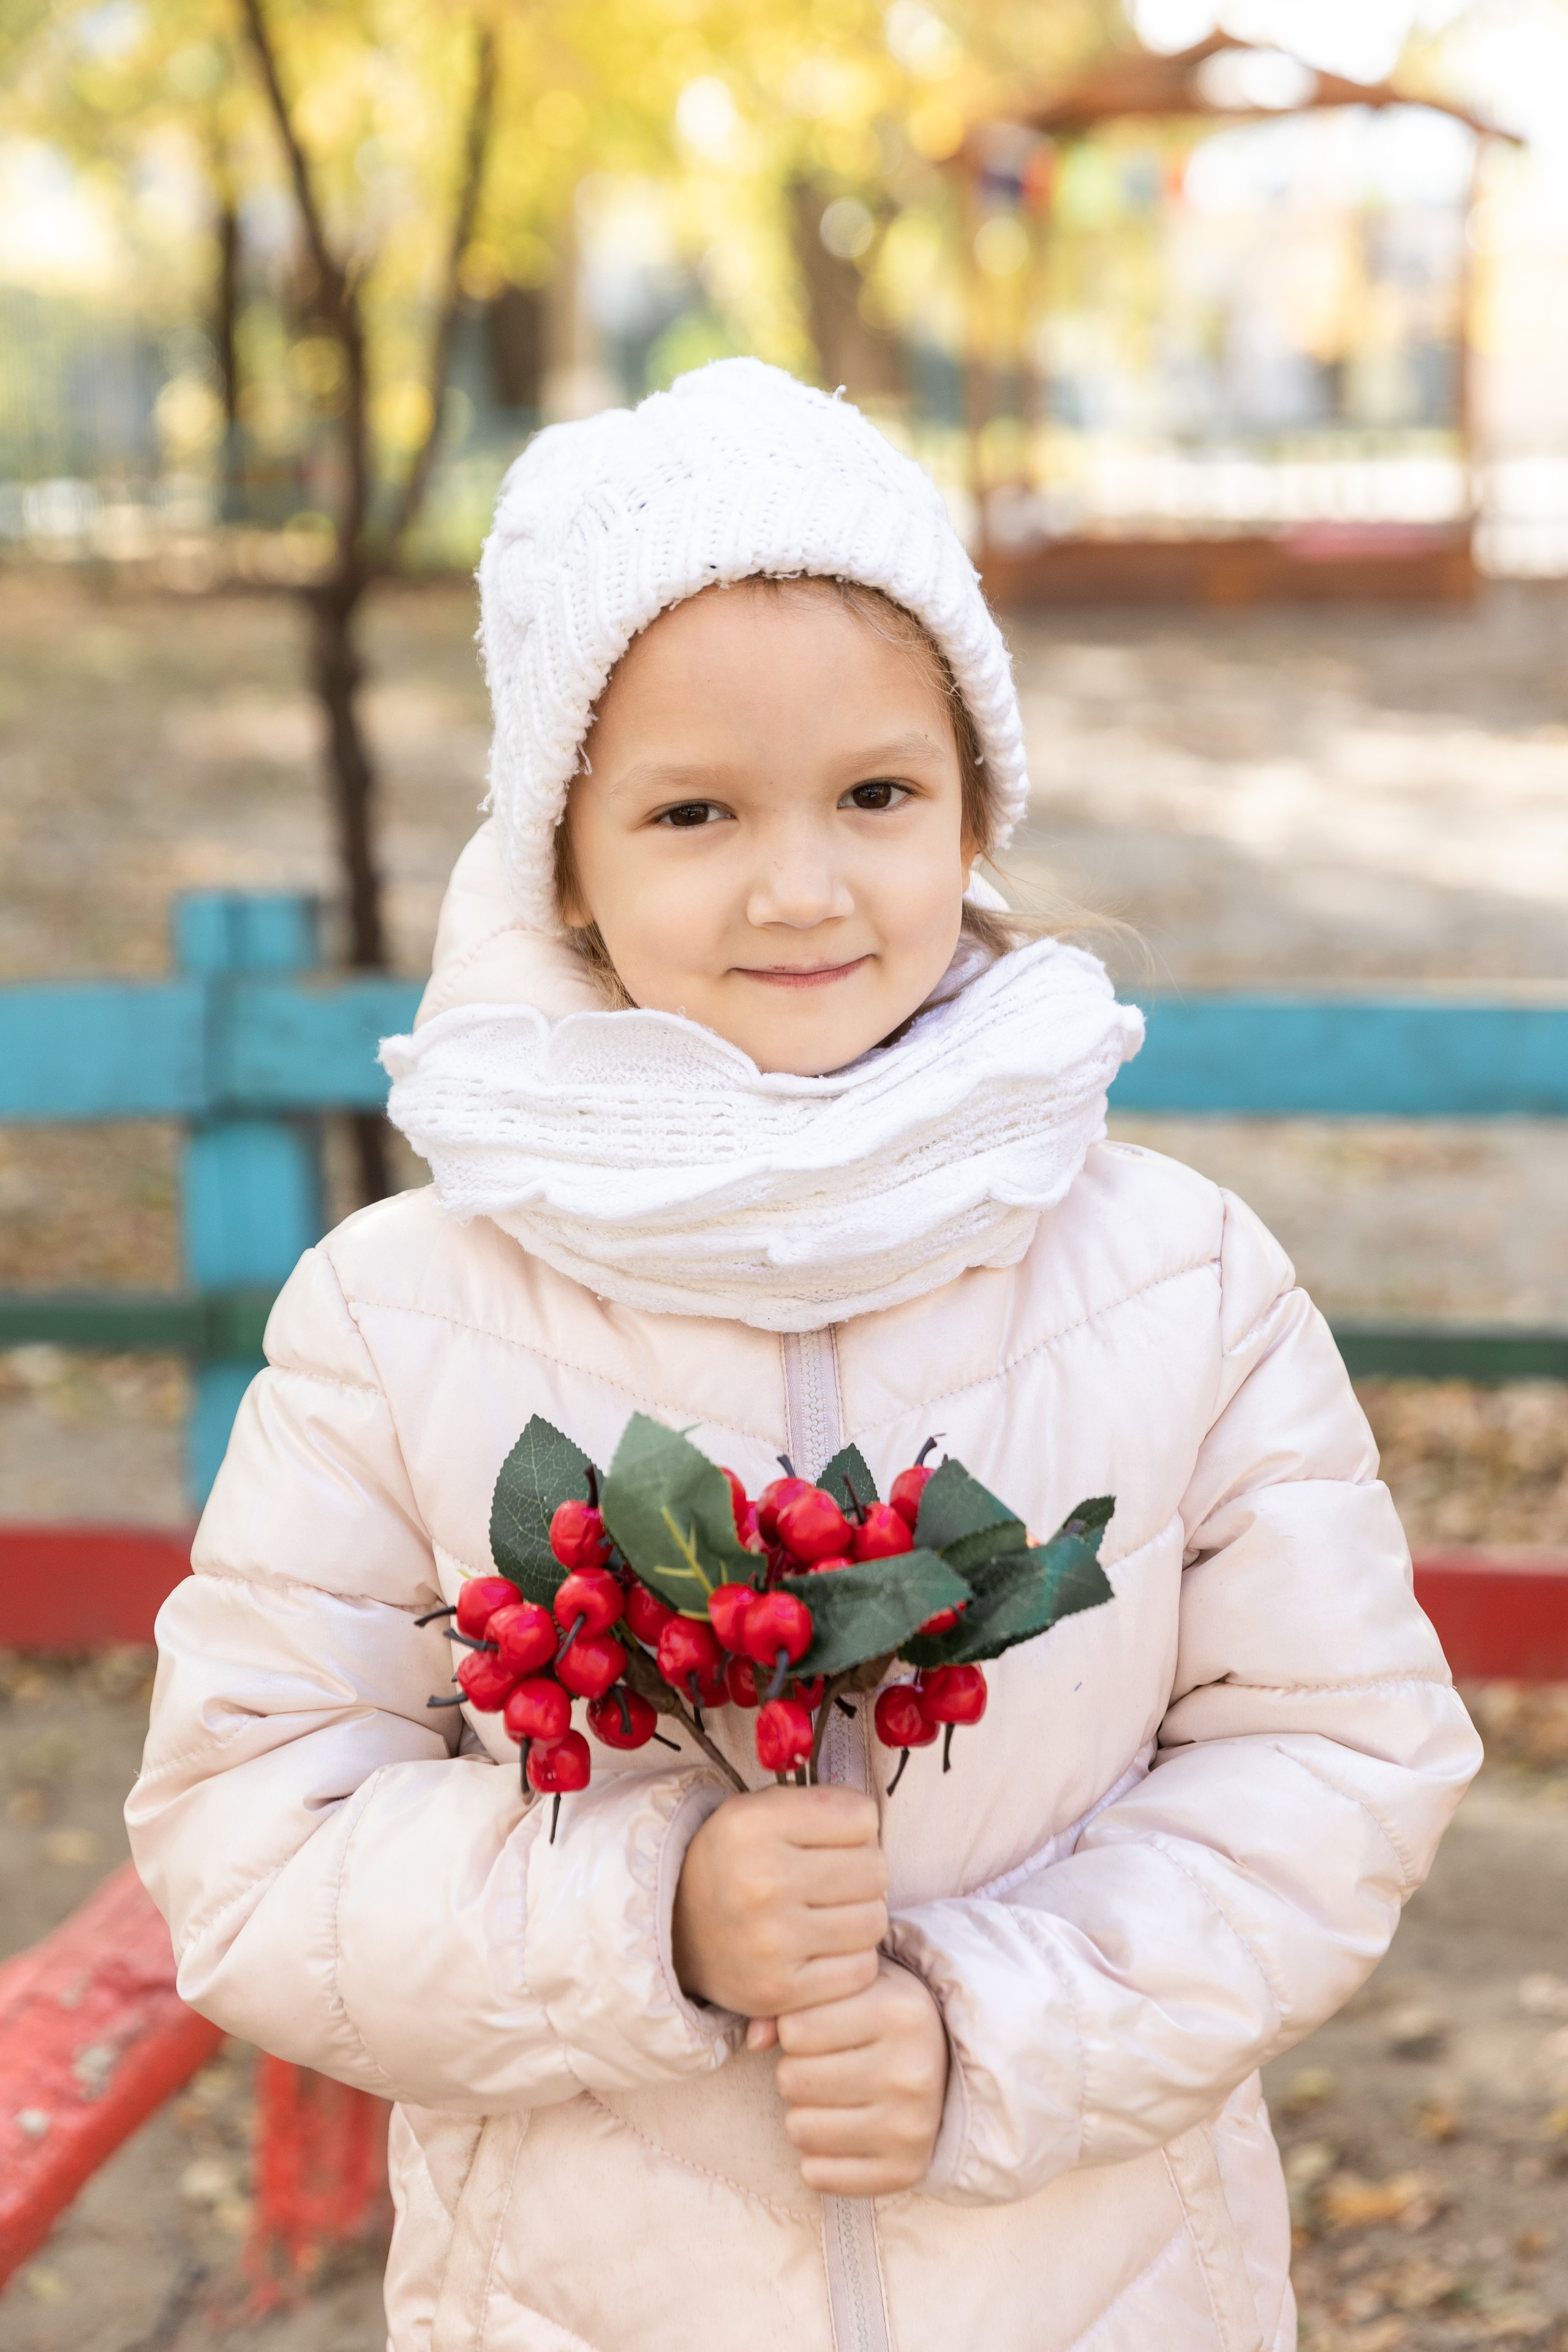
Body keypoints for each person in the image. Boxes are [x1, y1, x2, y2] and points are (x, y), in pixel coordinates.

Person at [128, 360, 1480, 2352]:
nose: (800, 883)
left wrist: (994, 2023)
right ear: (563, 864)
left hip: (1099, 2292)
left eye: (874, 794)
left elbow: (1336, 1752)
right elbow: (253, 1844)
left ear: (971, 811)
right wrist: (648, 1916)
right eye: (693, 811)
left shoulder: (1178, 1274)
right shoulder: (395, 1313)